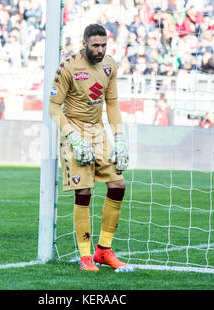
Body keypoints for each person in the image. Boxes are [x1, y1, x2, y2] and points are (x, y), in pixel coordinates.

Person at [48, 24, 133, 272]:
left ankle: (103, 251)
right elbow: (54, 107)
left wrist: (119, 137)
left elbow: (113, 103)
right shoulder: (68, 67)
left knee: (118, 184)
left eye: (104, 45)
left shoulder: (109, 65)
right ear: (84, 43)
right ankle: (85, 256)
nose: (100, 49)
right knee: (83, 191)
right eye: (95, 45)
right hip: (73, 130)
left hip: (98, 131)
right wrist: (73, 137)